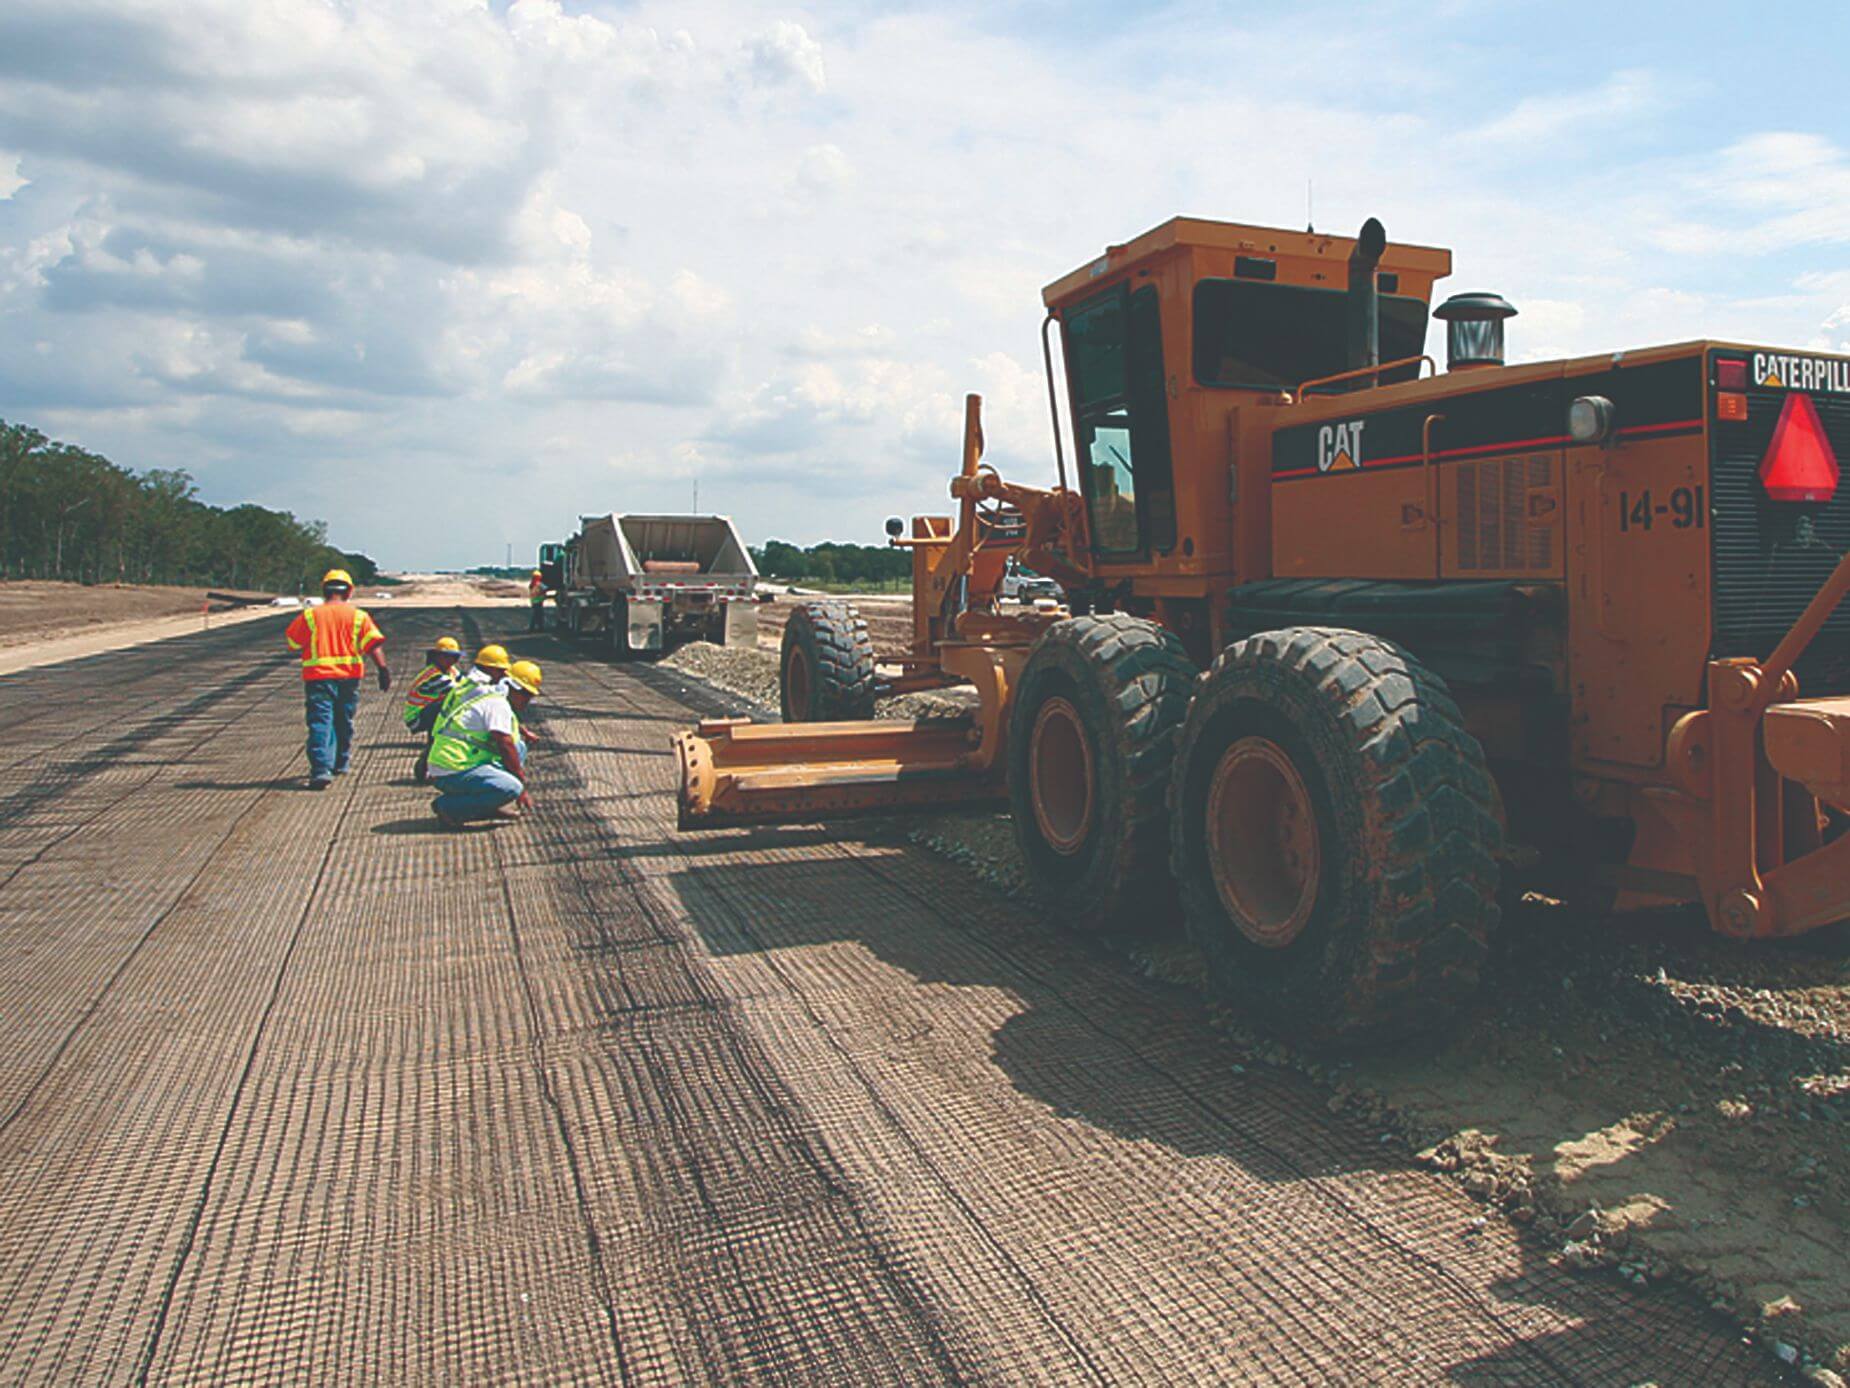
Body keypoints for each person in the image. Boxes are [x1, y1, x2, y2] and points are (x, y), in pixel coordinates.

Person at [283, 569, 388, 790]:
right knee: (343, 720)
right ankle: (341, 761)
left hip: (319, 678)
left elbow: (293, 641)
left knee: (321, 721)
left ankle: (321, 769)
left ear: (324, 590)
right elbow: (373, 645)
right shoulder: (359, 616)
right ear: (349, 591)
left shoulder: (310, 615)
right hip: (348, 678)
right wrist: (383, 669)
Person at [427, 659, 543, 827]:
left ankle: (489, 804)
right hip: (451, 769)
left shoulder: (497, 699)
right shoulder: (497, 704)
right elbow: (504, 744)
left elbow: (512, 745)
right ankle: (449, 807)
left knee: (519, 748)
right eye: (526, 694)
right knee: (512, 787)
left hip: (465, 762)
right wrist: (521, 787)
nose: (527, 700)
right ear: (513, 687)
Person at [403, 636, 464, 783]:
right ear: (437, 657)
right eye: (448, 657)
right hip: (417, 717)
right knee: (447, 706)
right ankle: (431, 756)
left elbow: (466, 684)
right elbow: (460, 691)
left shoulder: (452, 671)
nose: (452, 661)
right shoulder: (433, 675)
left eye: (455, 657)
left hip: (429, 712)